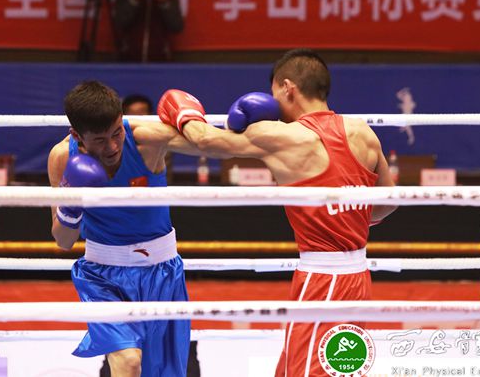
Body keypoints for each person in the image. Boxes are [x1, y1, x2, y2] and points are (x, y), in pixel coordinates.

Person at [157, 48, 398, 377]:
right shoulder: (363, 132)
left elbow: (205, 141)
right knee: (295, 369)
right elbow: (389, 200)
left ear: (287, 88)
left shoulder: (282, 136)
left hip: (323, 282)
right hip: (357, 276)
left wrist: (182, 110)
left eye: (273, 93)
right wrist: (345, 216)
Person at [48, 80, 199, 377]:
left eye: (117, 133)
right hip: (102, 276)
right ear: (77, 135)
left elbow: (213, 145)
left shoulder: (145, 138)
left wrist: (191, 121)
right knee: (128, 361)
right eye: (100, 140)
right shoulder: (63, 157)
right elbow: (63, 240)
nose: (113, 146)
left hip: (161, 271)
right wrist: (72, 204)